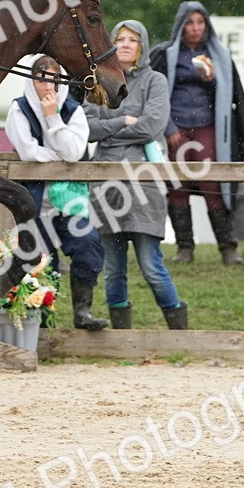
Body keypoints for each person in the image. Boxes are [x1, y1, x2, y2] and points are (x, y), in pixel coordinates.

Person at [83, 22, 188, 330]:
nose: (126, 44)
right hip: (105, 183)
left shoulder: (155, 81)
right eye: (120, 39)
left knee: (151, 265)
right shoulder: (98, 81)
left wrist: (109, 129)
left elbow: (152, 126)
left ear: (142, 46)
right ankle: (121, 340)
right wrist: (123, 121)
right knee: (113, 269)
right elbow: (86, 128)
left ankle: (179, 335)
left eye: (133, 39)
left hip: (144, 183)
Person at [150, 2, 244, 266]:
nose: (195, 28)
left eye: (200, 22)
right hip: (176, 128)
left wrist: (212, 81)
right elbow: (156, 95)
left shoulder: (218, 55)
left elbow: (230, 98)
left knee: (213, 185)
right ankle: (184, 248)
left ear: (207, 26)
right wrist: (169, 128)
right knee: (177, 185)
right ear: (180, 25)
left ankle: (228, 248)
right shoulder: (164, 55)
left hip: (208, 127)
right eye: (190, 22)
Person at [4, 55, 107, 330]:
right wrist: (60, 158)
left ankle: (82, 312)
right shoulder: (19, 109)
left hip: (70, 203)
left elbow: (74, 152)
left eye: (54, 80)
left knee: (88, 244)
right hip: (33, 204)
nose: (49, 87)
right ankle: (43, 322)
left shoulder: (73, 110)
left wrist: (53, 118)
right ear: (31, 81)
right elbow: (28, 152)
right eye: (42, 80)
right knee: (41, 261)